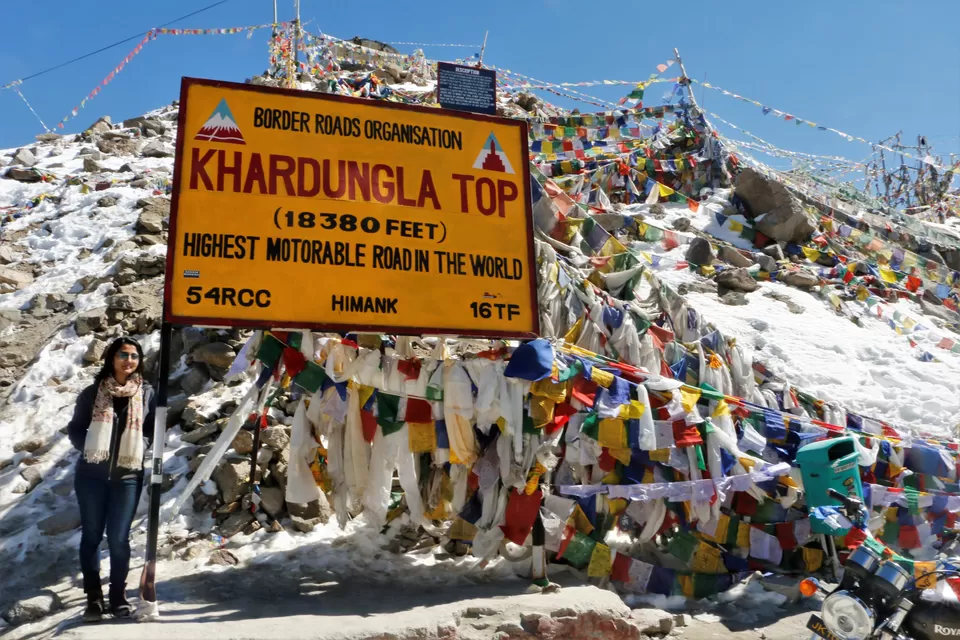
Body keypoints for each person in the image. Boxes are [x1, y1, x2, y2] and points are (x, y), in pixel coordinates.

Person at [67, 337, 156, 623]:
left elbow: (152, 429)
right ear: (111, 358)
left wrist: (139, 444)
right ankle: (94, 597)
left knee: (118, 538)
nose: (128, 360)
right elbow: (75, 429)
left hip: (128, 476)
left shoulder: (147, 393)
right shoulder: (93, 392)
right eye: (122, 354)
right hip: (91, 475)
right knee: (92, 535)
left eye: (134, 355)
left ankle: (118, 596)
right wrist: (93, 449)